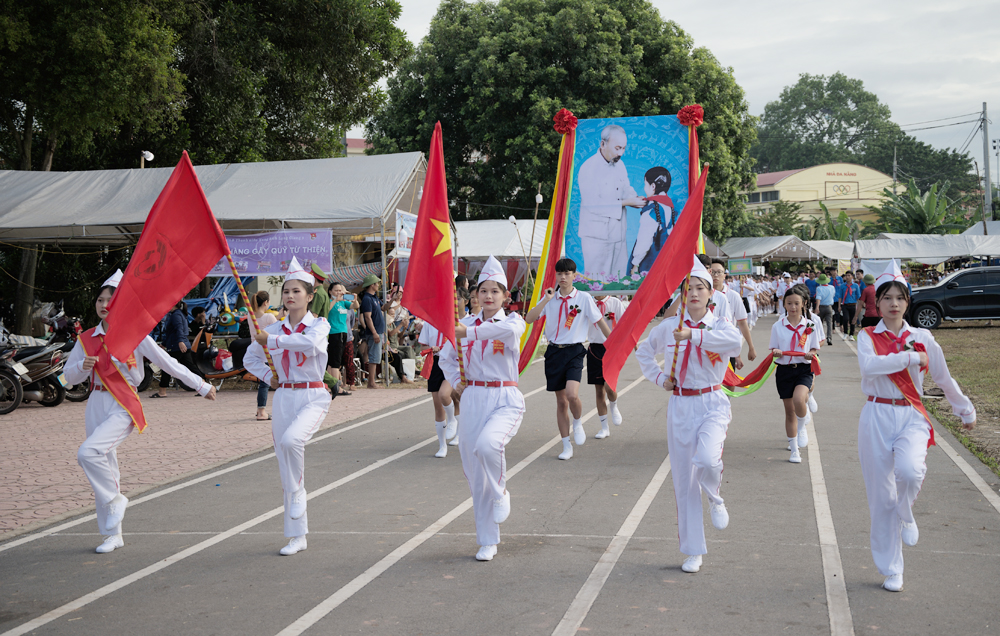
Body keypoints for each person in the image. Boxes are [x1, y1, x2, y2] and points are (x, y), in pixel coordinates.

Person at [64, 270, 217, 553]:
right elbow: (67, 379)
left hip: (123, 405)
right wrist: (80, 368)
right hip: (95, 403)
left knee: (89, 453)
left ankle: (116, 500)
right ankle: (112, 535)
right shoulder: (86, 338)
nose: (104, 304)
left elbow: (168, 363)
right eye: (100, 299)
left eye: (111, 299)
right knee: (105, 466)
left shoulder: (136, 334)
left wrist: (201, 384)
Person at [856, 259, 975, 592]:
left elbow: (942, 376)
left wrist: (963, 409)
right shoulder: (866, 336)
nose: (893, 304)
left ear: (908, 302)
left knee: (910, 472)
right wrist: (910, 358)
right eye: (887, 298)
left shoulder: (922, 336)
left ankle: (906, 512)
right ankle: (892, 568)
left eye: (900, 298)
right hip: (876, 416)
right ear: (876, 303)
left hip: (910, 415)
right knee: (880, 497)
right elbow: (870, 367)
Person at [635, 256, 742, 574]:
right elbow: (643, 351)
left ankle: (715, 497)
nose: (694, 292)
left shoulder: (721, 325)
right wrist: (659, 378)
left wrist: (693, 336)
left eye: (700, 287)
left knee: (708, 461)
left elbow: (734, 344)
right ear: (682, 293)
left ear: (711, 293)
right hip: (681, 406)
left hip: (712, 403)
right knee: (684, 480)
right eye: (688, 288)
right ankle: (693, 550)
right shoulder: (668, 327)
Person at [438, 256, 526, 561]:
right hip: (474, 398)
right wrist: (456, 382)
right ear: (476, 294)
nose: (488, 296)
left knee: (489, 447)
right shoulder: (464, 325)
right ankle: (487, 540)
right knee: (476, 473)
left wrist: (467, 333)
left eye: (495, 291)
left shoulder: (513, 322)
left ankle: (501, 492)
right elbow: (445, 358)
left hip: (504, 397)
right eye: (483, 291)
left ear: (505, 296)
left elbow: (500, 335)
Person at [245, 257, 333, 556]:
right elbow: (249, 358)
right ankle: (297, 536)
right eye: (286, 291)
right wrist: (270, 376)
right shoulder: (274, 327)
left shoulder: (319, 324)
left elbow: (309, 345)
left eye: (297, 291)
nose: (290, 296)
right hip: (284, 396)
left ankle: (298, 494)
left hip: (313, 395)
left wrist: (273, 340)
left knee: (292, 440)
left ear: (310, 296)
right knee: (284, 459)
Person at [524, 258, 611, 460]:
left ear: (574, 275)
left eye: (567, 273)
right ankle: (566, 445)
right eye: (560, 274)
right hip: (554, 352)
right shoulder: (550, 299)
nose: (563, 277)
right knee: (561, 401)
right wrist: (545, 300)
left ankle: (578, 422)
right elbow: (529, 319)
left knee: (572, 395)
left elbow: (600, 322)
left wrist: (613, 344)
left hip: (575, 351)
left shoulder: (584, 298)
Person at [576, 124, 646, 281]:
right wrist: (627, 202)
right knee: (597, 280)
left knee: (619, 278)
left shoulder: (619, 165)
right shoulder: (588, 167)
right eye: (617, 148)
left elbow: (625, 187)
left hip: (618, 234)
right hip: (596, 236)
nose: (621, 153)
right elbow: (593, 203)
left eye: (624, 148)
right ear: (603, 144)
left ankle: (618, 306)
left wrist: (636, 199)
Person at [769, 287, 821, 464]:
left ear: (804, 304)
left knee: (799, 399)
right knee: (789, 411)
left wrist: (811, 353)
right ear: (784, 304)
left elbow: (814, 348)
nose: (793, 307)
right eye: (789, 303)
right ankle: (794, 450)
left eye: (796, 303)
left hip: (804, 369)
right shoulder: (778, 326)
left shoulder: (810, 325)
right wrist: (776, 351)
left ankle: (802, 426)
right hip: (784, 370)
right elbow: (774, 348)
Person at [588, 293, 626, 439]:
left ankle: (614, 405)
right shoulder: (588, 302)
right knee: (599, 390)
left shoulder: (615, 302)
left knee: (609, 386)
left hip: (611, 348)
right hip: (594, 348)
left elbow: (625, 324)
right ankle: (604, 428)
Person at [627, 167, 675, 275]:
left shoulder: (652, 209)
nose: (645, 188)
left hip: (650, 262)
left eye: (645, 184)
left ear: (653, 186)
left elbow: (645, 240)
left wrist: (635, 264)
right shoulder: (669, 206)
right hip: (665, 259)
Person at [708, 259, 756, 370]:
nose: (715, 275)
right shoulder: (702, 295)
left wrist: (751, 346)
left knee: (730, 383)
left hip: (727, 344)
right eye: (712, 272)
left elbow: (742, 322)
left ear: (724, 275)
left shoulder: (733, 296)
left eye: (719, 272)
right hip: (707, 344)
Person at [154, 300, 201, 397]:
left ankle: (162, 391)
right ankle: (205, 386)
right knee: (191, 367)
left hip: (177, 347)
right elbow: (171, 332)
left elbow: (179, 329)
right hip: (180, 345)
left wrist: (180, 341)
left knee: (166, 367)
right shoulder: (179, 314)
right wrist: (164, 344)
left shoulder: (176, 315)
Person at [246, 291, 278, 420]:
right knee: (267, 381)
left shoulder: (250, 316)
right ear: (266, 302)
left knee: (263, 381)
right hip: (267, 351)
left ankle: (261, 409)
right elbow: (277, 330)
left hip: (254, 350)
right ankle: (261, 411)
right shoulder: (269, 317)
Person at [327, 281, 359, 397]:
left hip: (344, 333)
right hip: (334, 333)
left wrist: (354, 299)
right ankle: (337, 387)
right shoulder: (330, 302)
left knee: (334, 362)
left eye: (340, 290)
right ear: (330, 292)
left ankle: (331, 385)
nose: (339, 292)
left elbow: (355, 306)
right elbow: (326, 311)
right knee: (335, 362)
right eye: (336, 290)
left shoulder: (343, 303)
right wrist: (336, 299)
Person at [359, 274, 386, 389]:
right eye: (377, 283)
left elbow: (383, 308)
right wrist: (374, 333)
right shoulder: (367, 299)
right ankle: (371, 382)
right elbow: (367, 317)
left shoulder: (374, 297)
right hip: (374, 332)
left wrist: (393, 300)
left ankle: (372, 381)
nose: (378, 285)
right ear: (372, 285)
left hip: (379, 331)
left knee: (376, 357)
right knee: (373, 358)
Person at [815, 274, 836, 346]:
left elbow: (818, 298)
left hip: (821, 306)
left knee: (819, 323)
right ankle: (829, 337)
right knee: (829, 323)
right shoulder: (832, 287)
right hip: (829, 307)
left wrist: (817, 307)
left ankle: (819, 337)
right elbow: (833, 295)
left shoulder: (819, 288)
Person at [840, 271, 861, 341]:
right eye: (846, 275)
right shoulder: (842, 286)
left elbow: (858, 296)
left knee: (853, 320)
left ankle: (851, 334)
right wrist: (839, 306)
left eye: (849, 275)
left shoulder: (855, 286)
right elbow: (840, 296)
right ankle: (845, 333)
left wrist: (859, 306)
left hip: (853, 305)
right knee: (845, 319)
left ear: (852, 276)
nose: (847, 277)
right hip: (845, 305)